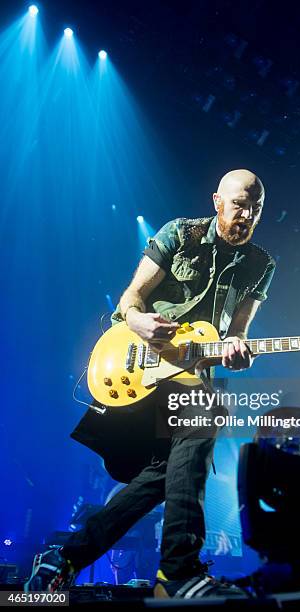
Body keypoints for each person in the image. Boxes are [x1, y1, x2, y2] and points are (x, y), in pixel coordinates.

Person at [25, 169, 276, 598]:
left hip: (192, 376)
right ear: (217, 201)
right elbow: (130, 301)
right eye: (239, 204)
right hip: (141, 364)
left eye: (255, 208)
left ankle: (65, 557)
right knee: (208, 417)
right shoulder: (181, 233)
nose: (246, 215)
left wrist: (237, 349)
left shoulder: (262, 265)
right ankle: (178, 572)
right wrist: (138, 322)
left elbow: (238, 334)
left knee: (165, 474)